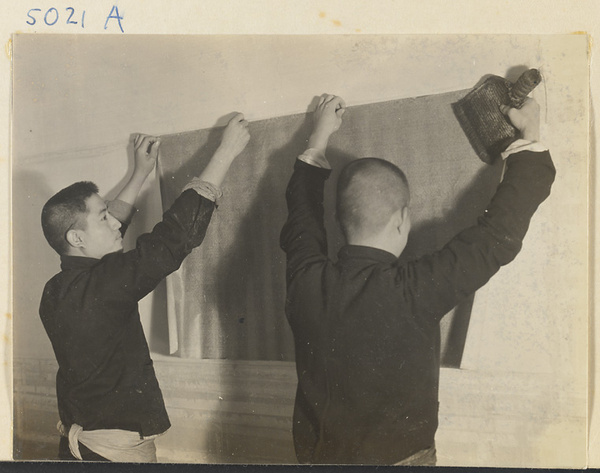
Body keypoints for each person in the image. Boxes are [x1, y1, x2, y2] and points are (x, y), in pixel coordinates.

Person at [280, 94, 555, 465]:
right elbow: (495, 237)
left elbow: (302, 216)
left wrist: (320, 134)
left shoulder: (305, 279)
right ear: (402, 219)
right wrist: (530, 134)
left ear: (340, 220)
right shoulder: (414, 290)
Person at [39, 113, 250, 462]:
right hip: (112, 455)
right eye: (102, 217)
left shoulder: (56, 290)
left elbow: (102, 242)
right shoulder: (104, 284)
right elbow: (172, 240)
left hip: (82, 447)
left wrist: (139, 174)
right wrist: (225, 152)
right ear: (75, 238)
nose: (114, 223)